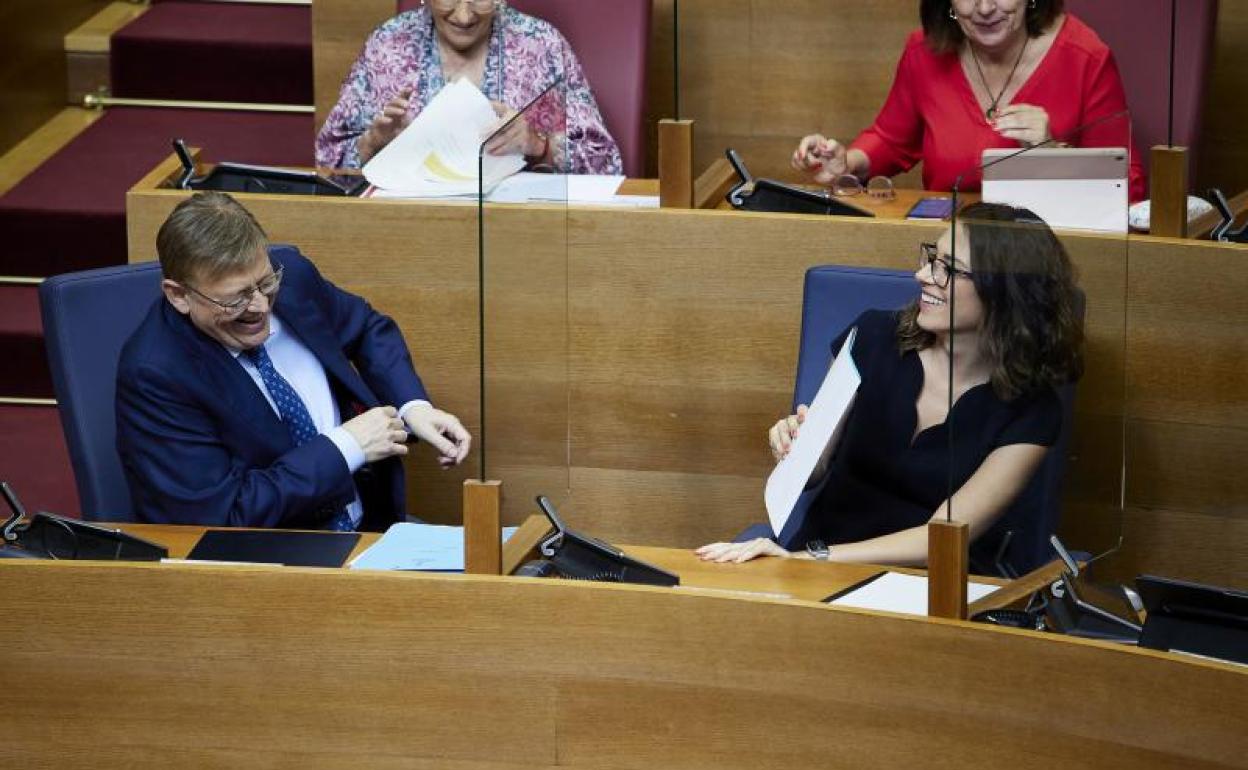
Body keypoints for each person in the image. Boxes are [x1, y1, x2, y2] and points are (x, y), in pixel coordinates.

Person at [697, 202, 1083, 566]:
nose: (923, 276)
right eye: (931, 257)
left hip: (928, 585)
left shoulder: (1033, 409)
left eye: (948, 269)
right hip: (816, 556)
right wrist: (794, 446)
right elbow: (813, 472)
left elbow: (943, 539)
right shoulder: (872, 336)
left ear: (1003, 293)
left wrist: (812, 559)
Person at [116, 191, 471, 530]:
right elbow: (222, 516)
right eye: (235, 299)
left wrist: (413, 406)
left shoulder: (293, 278)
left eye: (264, 283)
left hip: (373, 528)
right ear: (179, 296)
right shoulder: (155, 374)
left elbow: (365, 328)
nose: (259, 307)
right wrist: (345, 447)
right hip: (271, 563)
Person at [791, 0, 1146, 200]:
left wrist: (1054, 152)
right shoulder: (924, 50)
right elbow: (891, 140)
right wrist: (846, 163)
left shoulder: (1086, 57)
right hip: (950, 251)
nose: (985, 7)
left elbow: (1129, 187)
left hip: (1050, 254)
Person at [316, 0, 623, 175]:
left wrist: (539, 146)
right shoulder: (388, 44)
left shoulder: (541, 45)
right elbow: (325, 162)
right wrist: (373, 143)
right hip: (408, 230)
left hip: (520, 234)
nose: (463, 16)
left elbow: (606, 162)